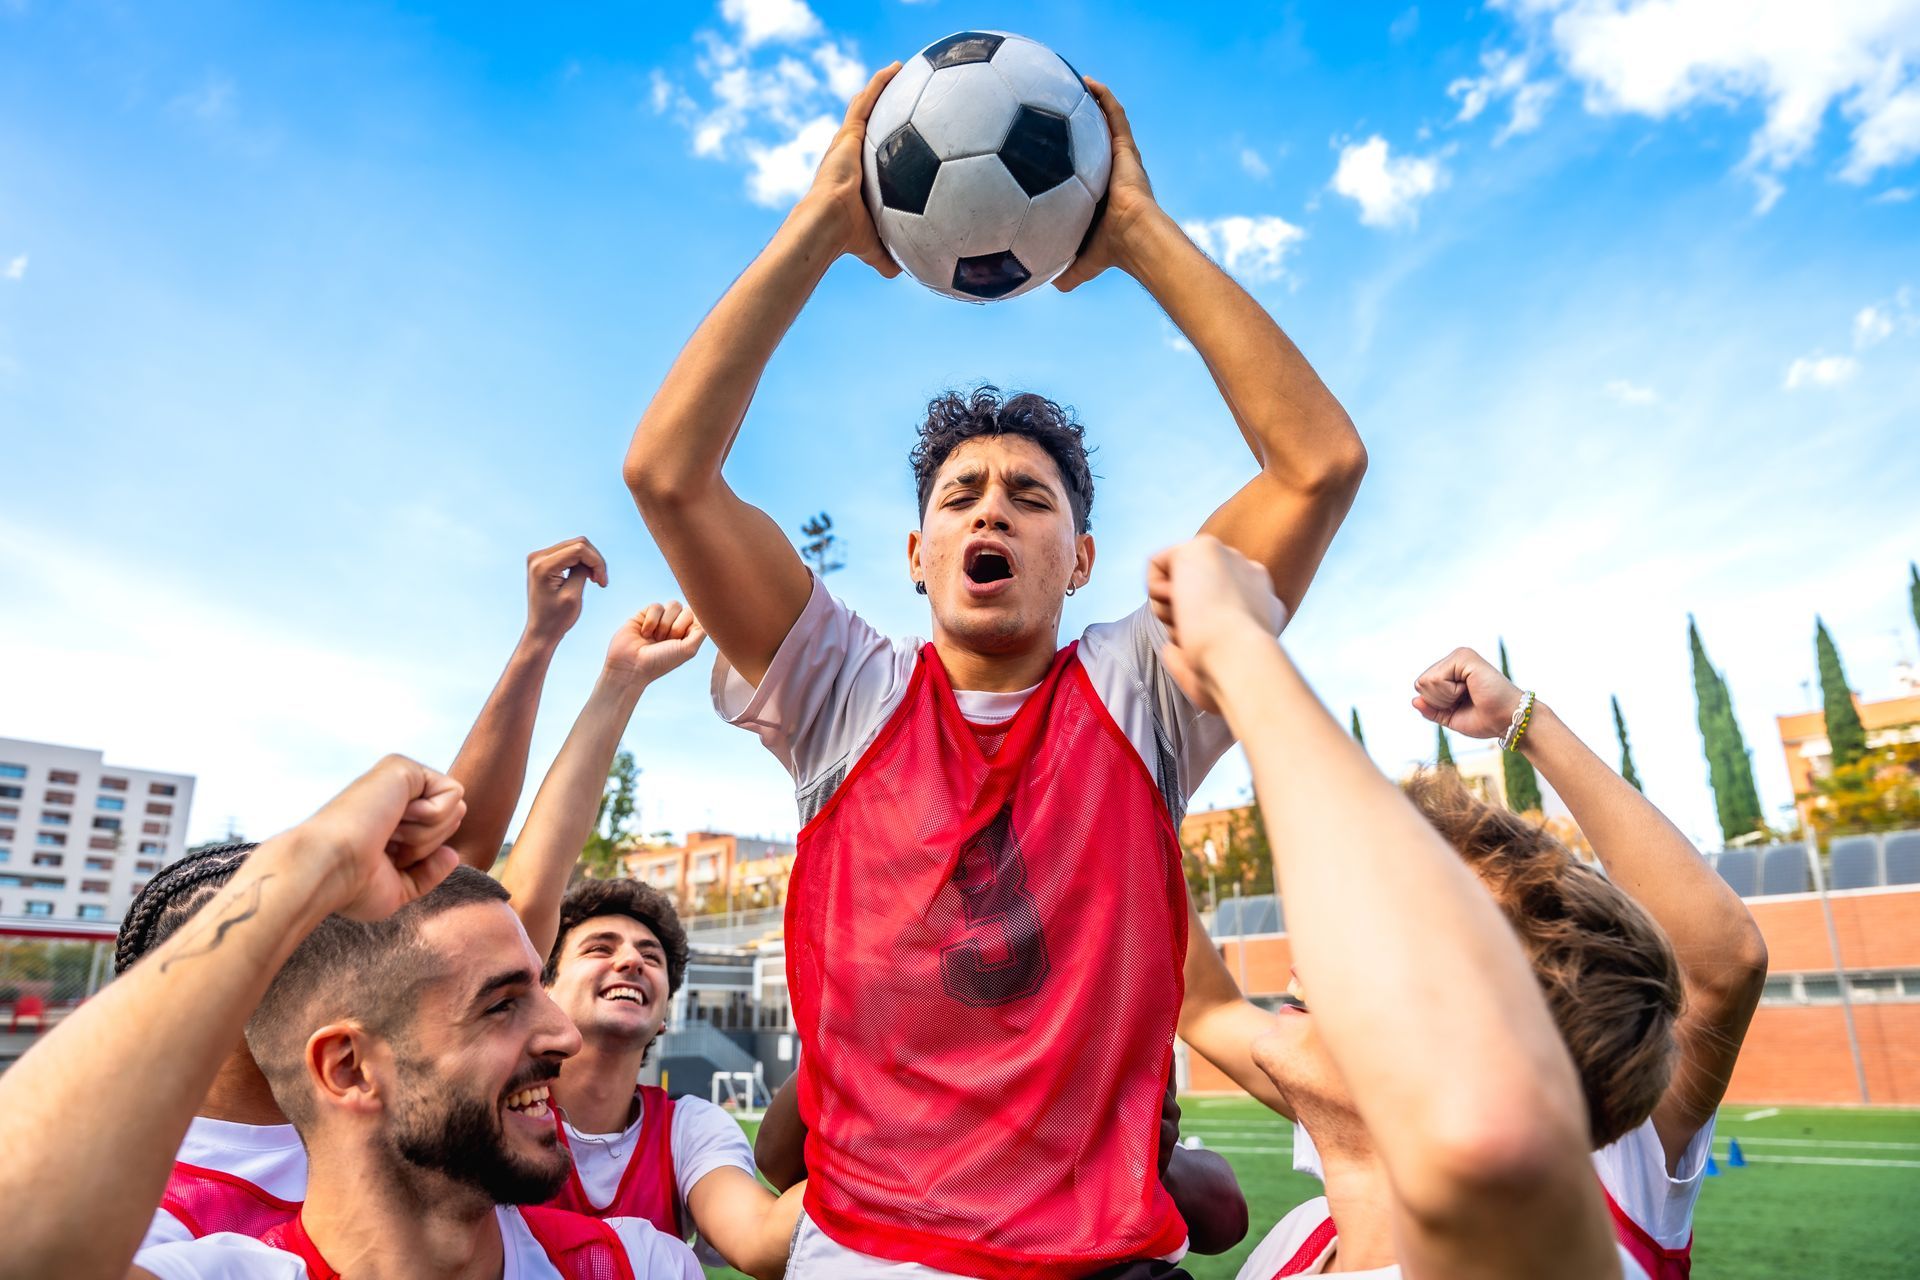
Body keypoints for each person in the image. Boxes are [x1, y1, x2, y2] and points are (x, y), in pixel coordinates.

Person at [623, 64, 1363, 1279]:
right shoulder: (840, 690)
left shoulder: (1145, 691)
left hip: (1103, 1262)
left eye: (1031, 498)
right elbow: (668, 473)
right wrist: (820, 225)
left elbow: (1318, 466)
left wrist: (1136, 233)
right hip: (867, 1256)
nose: (994, 512)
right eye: (962, 494)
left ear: (1080, 557)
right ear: (918, 555)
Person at [1145, 535, 1660, 1279]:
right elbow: (1207, 1005)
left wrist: (1239, 648)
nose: (1343, 950)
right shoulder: (1294, 1245)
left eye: (1417, 943)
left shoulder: (1530, 1259)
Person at [0, 755, 696, 1278]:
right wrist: (310, 864)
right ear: (349, 1068)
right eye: (502, 1004)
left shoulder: (640, 1264)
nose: (565, 1035)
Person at [115, 536, 612, 1250]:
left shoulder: (378, 1114)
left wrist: (539, 644)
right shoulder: (141, 1215)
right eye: (277, 923)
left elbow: (456, 866)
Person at [1409, 646, 1768, 1278]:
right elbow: (1212, 1007)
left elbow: (1725, 967)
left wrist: (1524, 721)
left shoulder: (1604, 1129)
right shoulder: (1371, 1104)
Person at [498, 601, 805, 1277]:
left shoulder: (687, 1129)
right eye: (600, 947)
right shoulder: (491, 1107)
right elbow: (529, 893)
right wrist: (621, 681)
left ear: (666, 1011)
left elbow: (757, 1240)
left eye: (653, 957)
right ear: (537, 984)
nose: (632, 960)